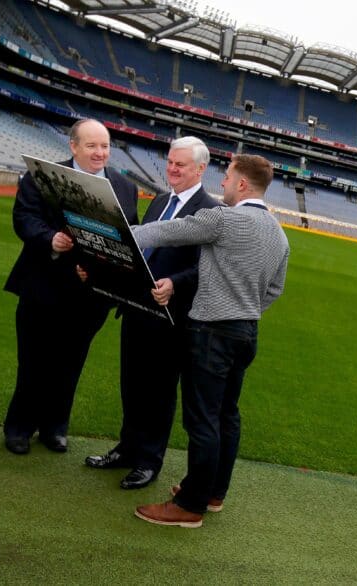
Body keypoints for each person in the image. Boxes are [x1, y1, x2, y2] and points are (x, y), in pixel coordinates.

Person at [131, 154, 289, 528]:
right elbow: (275, 290)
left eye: (228, 178)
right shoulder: (279, 234)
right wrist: (244, 309)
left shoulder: (224, 218)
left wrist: (118, 235)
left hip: (211, 331)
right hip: (246, 330)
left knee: (202, 420)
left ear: (242, 185)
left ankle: (190, 505)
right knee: (226, 415)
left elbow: (165, 231)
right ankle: (214, 491)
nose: (222, 184)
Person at [84, 136, 221, 490]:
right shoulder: (160, 200)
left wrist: (175, 283)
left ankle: (148, 461)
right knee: (131, 385)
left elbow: (208, 267)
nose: (172, 169)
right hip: (136, 310)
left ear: (201, 169)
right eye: (171, 162)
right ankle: (127, 449)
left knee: (159, 393)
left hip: (171, 318)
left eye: (181, 165)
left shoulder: (211, 211)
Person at [3, 119, 138, 455]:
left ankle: (55, 428)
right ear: (73, 146)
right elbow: (24, 218)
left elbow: (129, 236)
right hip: (42, 288)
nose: (100, 152)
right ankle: (19, 427)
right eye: (92, 145)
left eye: (105, 145)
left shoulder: (124, 186)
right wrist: (50, 238)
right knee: (33, 361)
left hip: (91, 297)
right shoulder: (42, 176)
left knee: (70, 364)